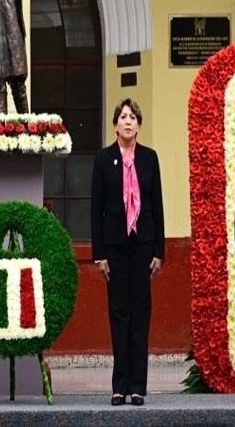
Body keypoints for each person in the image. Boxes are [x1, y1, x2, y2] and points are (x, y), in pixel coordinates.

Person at [90, 98, 164, 407]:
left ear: (139, 124)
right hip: (115, 247)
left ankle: (138, 387)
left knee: (140, 313)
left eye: (133, 117)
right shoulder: (103, 159)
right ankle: (119, 386)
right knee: (119, 313)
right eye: (123, 117)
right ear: (115, 124)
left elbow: (157, 206)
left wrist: (159, 250)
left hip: (143, 244)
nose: (128, 121)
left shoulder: (149, 158)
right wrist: (99, 254)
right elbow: (96, 208)